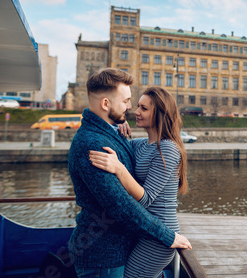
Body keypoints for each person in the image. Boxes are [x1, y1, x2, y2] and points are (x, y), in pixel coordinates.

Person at [68, 68, 191, 278]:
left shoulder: (111, 137)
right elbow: (120, 205)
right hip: (104, 251)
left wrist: (119, 122)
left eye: (141, 107)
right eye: (126, 102)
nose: (131, 108)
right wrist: (167, 236)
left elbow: (138, 191)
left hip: (146, 235)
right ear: (106, 104)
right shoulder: (94, 143)